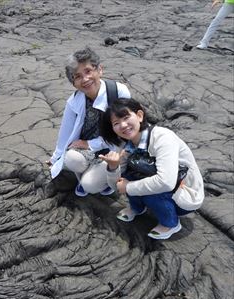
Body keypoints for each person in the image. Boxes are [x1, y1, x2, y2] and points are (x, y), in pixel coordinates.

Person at [99, 98, 205, 240]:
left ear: (140, 115)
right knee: (129, 176)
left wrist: (129, 187)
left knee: (150, 189)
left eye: (126, 117)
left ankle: (171, 223)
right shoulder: (125, 144)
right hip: (157, 182)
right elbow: (117, 185)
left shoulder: (163, 138)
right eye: (116, 123)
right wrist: (113, 167)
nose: (123, 125)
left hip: (183, 194)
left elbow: (166, 182)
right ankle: (137, 208)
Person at [47, 47, 131, 197]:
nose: (85, 79)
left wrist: (90, 144)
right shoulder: (74, 101)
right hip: (87, 150)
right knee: (71, 159)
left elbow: (125, 131)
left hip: (114, 148)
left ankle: (105, 177)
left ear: (99, 70)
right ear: (73, 83)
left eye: (88, 71)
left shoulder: (118, 92)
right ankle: (93, 173)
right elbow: (65, 132)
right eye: (77, 76)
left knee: (89, 186)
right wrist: (55, 158)